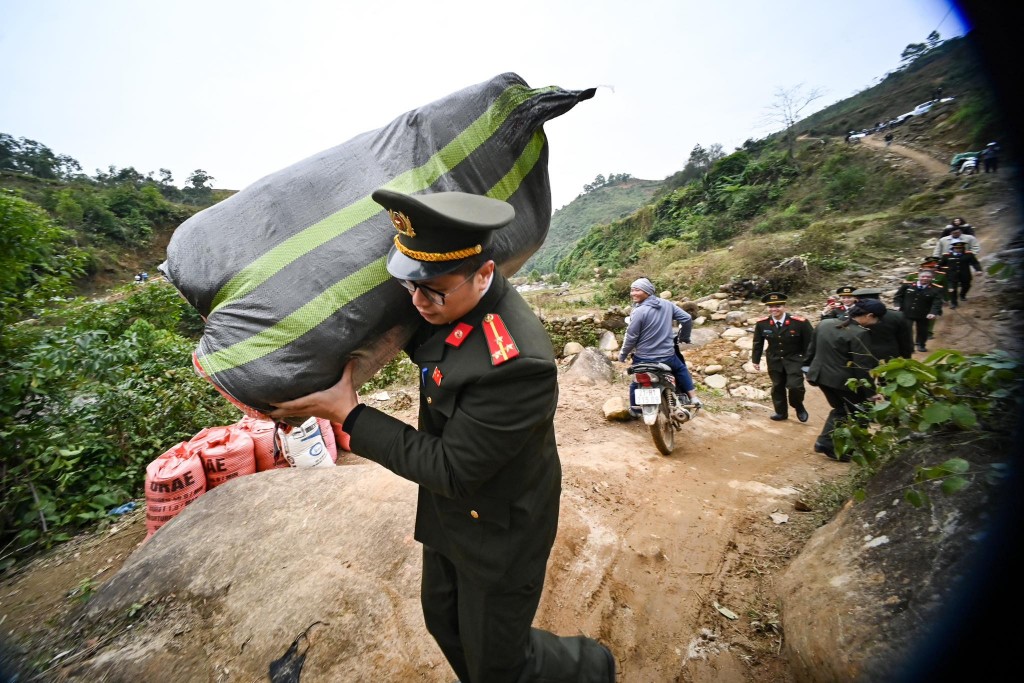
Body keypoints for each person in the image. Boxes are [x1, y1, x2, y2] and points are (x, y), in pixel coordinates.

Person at [269, 189, 616, 683]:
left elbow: (451, 468)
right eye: (410, 286)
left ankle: (591, 667)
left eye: (433, 290)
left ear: (485, 274)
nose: (417, 302)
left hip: (500, 525)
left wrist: (349, 414)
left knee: (499, 665)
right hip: (448, 515)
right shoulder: (445, 304)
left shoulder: (516, 363)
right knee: (445, 623)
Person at [618, 277, 699, 415]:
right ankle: (694, 398)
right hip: (667, 356)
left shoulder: (638, 311)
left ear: (647, 291)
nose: (633, 293)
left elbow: (631, 336)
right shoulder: (667, 305)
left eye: (637, 290)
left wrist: (623, 354)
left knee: (635, 383)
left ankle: (634, 410)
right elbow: (686, 319)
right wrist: (684, 337)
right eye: (632, 290)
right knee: (680, 369)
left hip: (643, 358)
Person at [803, 313, 877, 461]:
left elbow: (812, 347)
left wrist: (806, 367)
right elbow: (861, 367)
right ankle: (829, 443)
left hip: (820, 376)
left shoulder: (825, 323)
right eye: (876, 319)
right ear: (869, 316)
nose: (876, 322)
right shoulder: (859, 333)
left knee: (841, 409)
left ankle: (827, 442)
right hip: (841, 381)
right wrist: (870, 392)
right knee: (859, 409)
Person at [751, 292, 813, 422]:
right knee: (777, 386)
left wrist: (809, 362)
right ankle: (781, 412)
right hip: (774, 359)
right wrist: (755, 360)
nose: (774, 309)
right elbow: (758, 343)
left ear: (784, 307)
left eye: (777, 306)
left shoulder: (799, 323)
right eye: (770, 306)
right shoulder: (763, 324)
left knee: (795, 386)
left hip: (795, 358)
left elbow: (810, 343)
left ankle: (798, 405)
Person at [846, 298, 913, 362]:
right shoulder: (897, 315)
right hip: (887, 358)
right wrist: (907, 359)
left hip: (857, 360)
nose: (877, 321)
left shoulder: (844, 320)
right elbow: (905, 342)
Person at [893, 269, 944, 352]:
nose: (925, 278)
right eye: (923, 276)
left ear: (932, 278)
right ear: (918, 277)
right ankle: (909, 346)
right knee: (907, 330)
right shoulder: (907, 285)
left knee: (922, 331)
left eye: (928, 277)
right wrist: (897, 305)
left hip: (924, 314)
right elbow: (898, 296)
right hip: (907, 312)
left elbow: (937, 303)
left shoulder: (936, 289)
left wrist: (933, 313)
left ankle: (921, 344)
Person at [939, 240, 983, 308]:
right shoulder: (946, 256)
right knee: (952, 289)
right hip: (952, 276)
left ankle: (962, 295)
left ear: (963, 248)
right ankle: (954, 303)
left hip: (965, 274)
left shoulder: (968, 254)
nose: (958, 249)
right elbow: (941, 265)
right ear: (953, 248)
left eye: (960, 248)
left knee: (966, 286)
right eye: (956, 248)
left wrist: (978, 270)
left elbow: (975, 263)